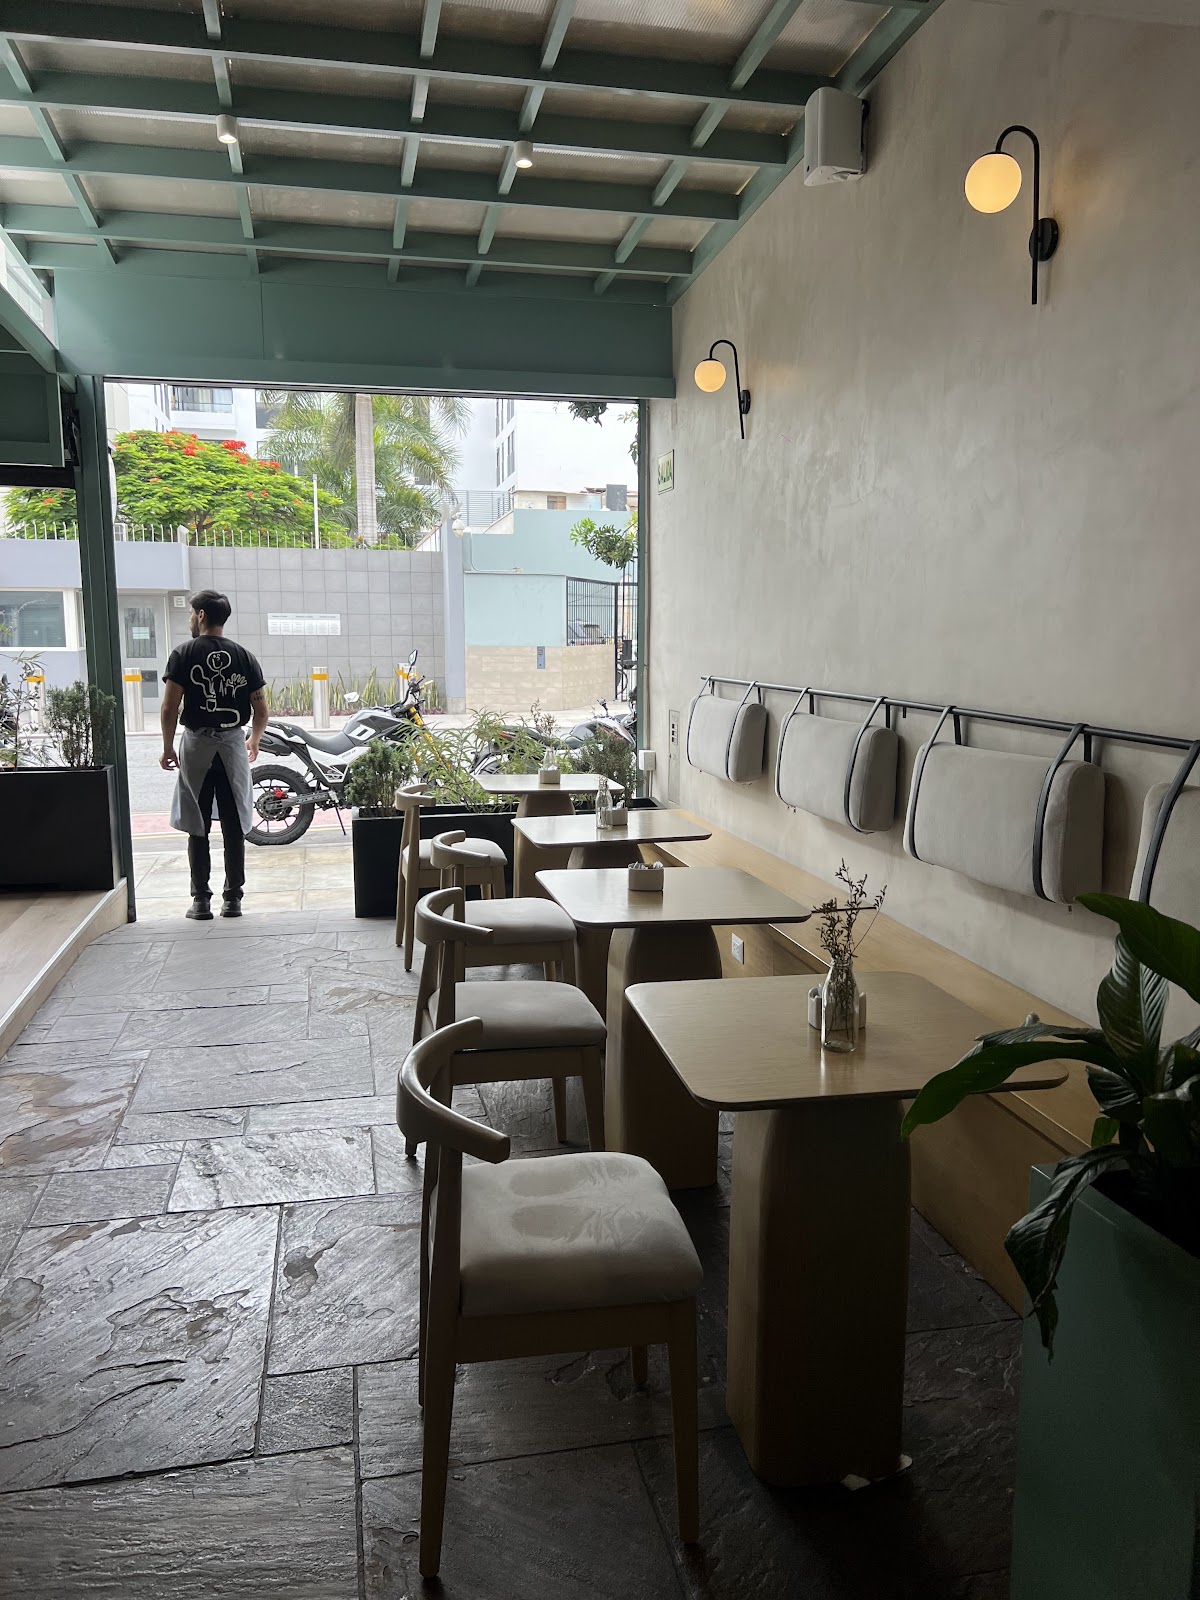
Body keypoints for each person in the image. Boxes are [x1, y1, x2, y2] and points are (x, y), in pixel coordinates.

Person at [160, 589, 268, 920]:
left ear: (201, 615)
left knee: (198, 823)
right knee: (234, 823)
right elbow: (261, 710)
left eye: (191, 613)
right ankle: (233, 899)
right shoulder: (245, 656)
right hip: (233, 746)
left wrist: (167, 747)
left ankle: (201, 900)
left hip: (197, 747)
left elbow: (169, 707)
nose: (190, 619)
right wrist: (254, 740)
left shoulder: (183, 653)